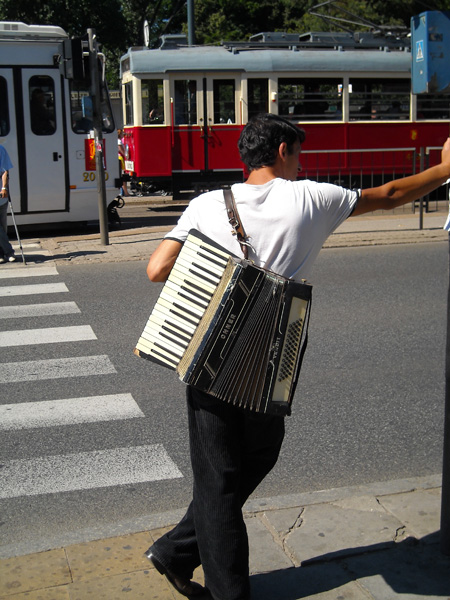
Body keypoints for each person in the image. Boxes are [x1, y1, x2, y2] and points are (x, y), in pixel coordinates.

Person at [144, 113, 450, 600]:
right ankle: (209, 576)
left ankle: (180, 551)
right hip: (272, 350)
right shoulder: (311, 198)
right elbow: (390, 194)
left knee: (216, 474)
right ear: (283, 150)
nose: (300, 160)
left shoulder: (205, 204)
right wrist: (442, 170)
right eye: (298, 152)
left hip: (209, 350)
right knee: (258, 455)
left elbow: (157, 268)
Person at [0, 144, 15, 264]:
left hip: (1, 198)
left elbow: (5, 170)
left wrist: (4, 187)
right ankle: (9, 252)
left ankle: (1, 254)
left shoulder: (1, 149)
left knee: (3, 228)